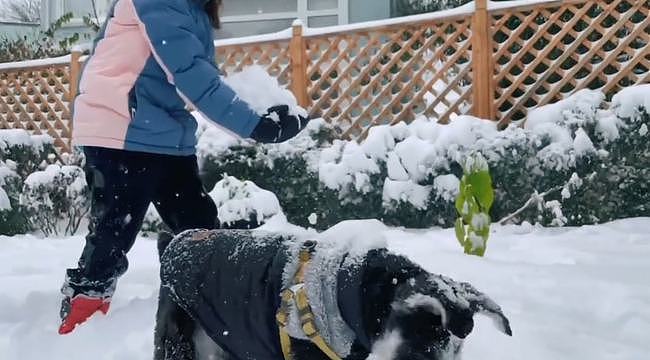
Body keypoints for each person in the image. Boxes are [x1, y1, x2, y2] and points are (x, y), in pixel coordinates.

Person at [58, 0, 309, 335]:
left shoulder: (190, 9)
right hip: (120, 129)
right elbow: (192, 76)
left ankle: (215, 307)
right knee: (115, 230)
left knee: (199, 225)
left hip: (163, 132)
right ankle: (81, 322)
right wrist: (254, 125)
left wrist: (262, 107)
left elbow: (205, 78)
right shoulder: (157, 3)